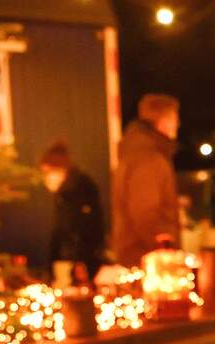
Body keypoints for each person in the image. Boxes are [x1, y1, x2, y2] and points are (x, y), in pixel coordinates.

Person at [111, 93, 181, 266]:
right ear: (163, 120)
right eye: (174, 118)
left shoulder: (136, 153)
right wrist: (166, 251)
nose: (177, 124)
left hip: (137, 255)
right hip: (148, 260)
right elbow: (145, 211)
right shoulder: (149, 158)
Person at [39, 139, 105, 284]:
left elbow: (89, 229)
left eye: (47, 172)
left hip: (82, 265)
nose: (45, 179)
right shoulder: (63, 195)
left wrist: (81, 263)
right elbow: (59, 231)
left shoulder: (80, 191)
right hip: (68, 263)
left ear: (60, 171)